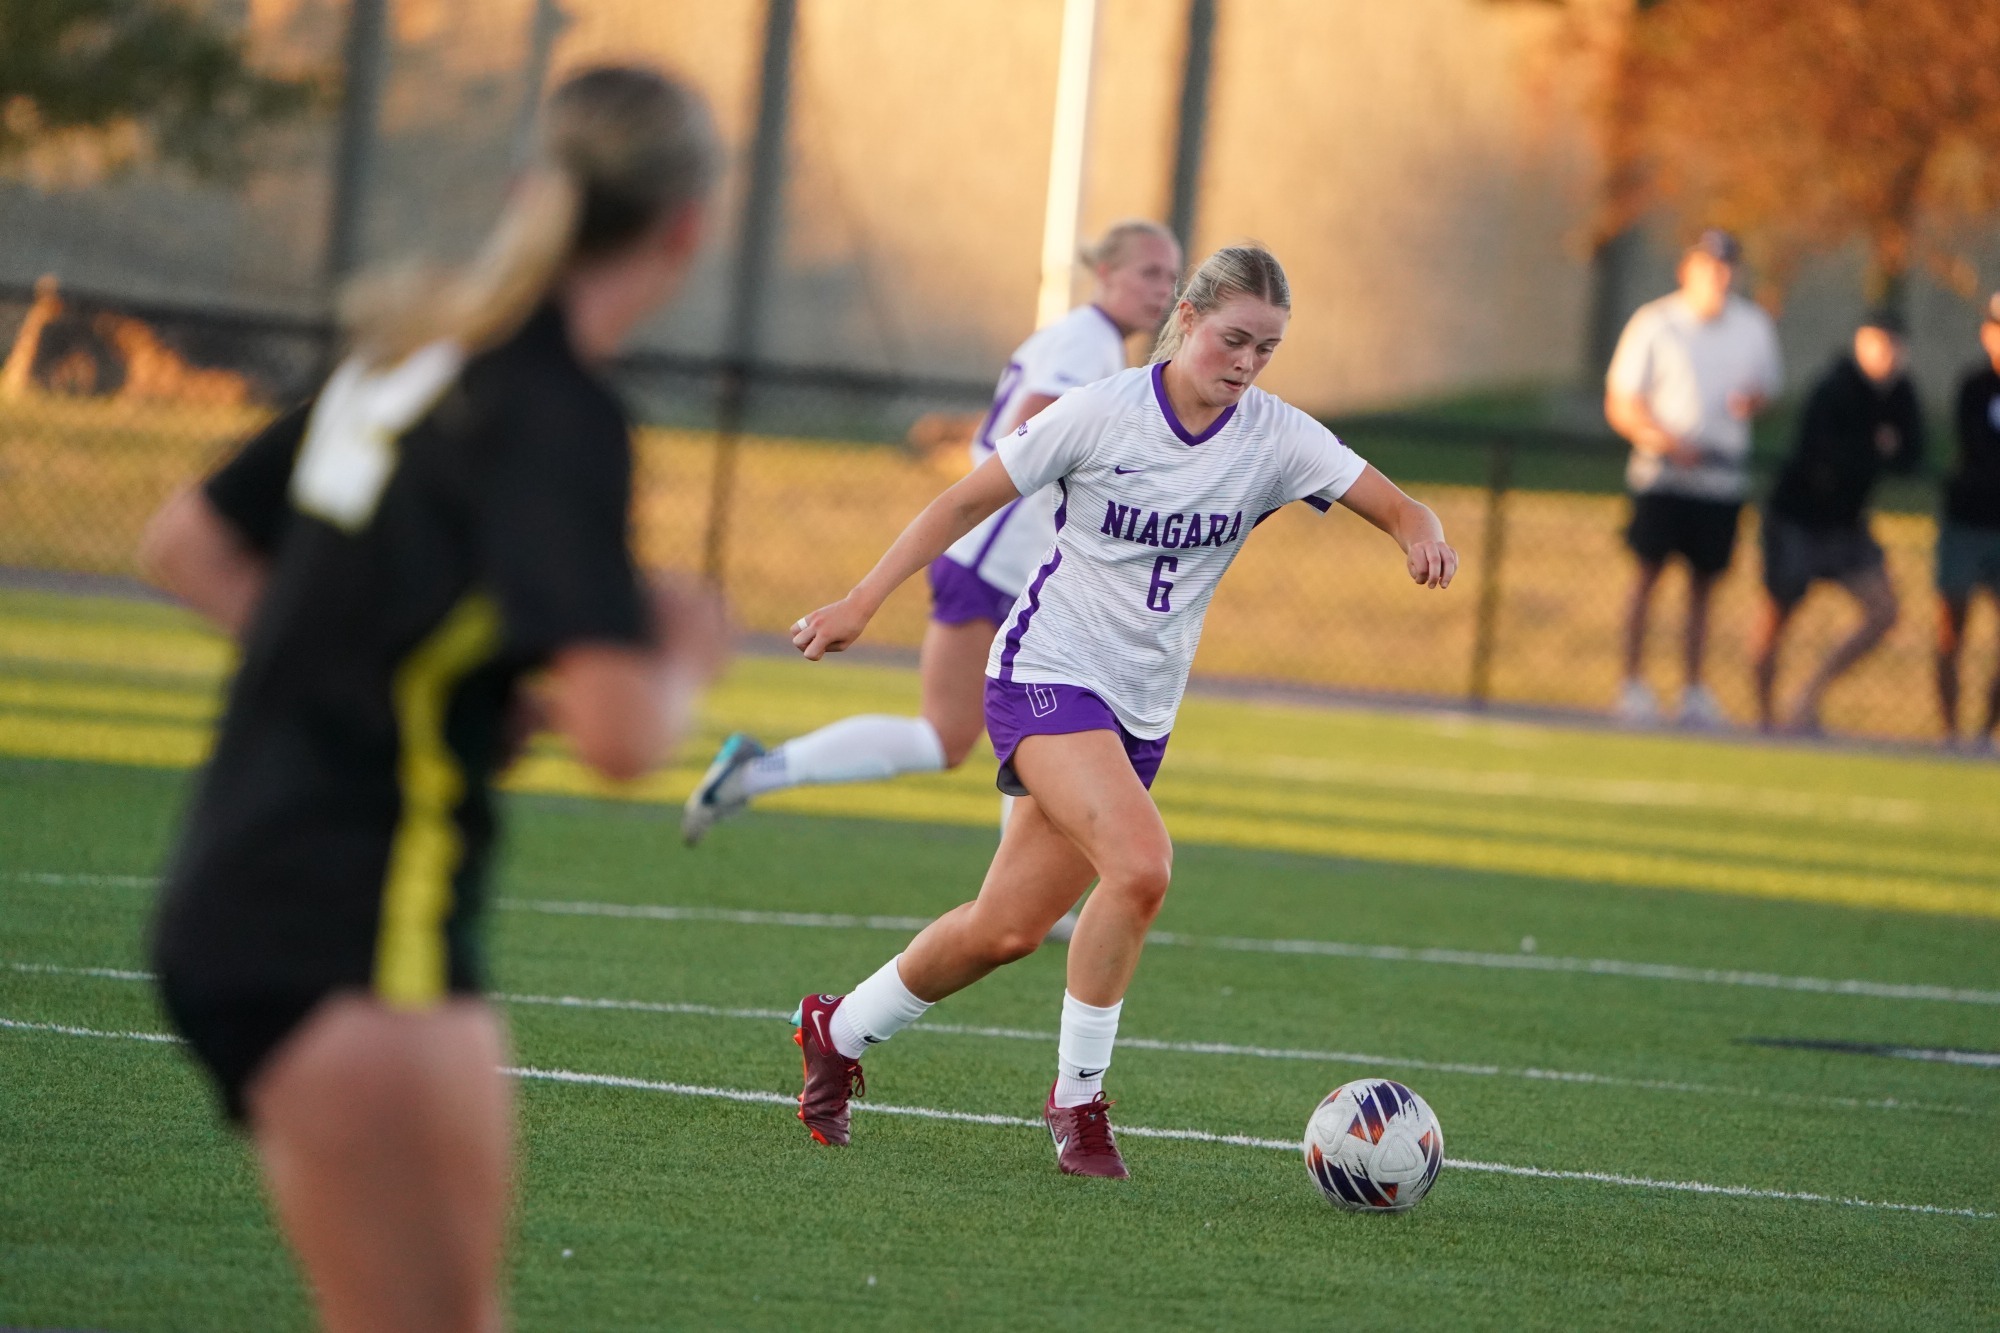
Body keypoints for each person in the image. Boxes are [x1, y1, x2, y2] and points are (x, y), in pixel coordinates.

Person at [134, 66, 725, 1333]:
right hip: (353, 921)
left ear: (535, 193)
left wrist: (394, 671)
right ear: (689, 225)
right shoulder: (553, 411)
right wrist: (683, 655)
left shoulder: (414, 359)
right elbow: (625, 732)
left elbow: (188, 543)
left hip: (253, 889)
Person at [781, 246, 1457, 1178]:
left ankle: (837, 1028)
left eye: (1266, 348)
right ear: (1185, 319)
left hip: (1139, 707)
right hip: (1044, 671)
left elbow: (1396, 502)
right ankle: (1079, 1102)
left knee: (1004, 928)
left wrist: (1421, 531)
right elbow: (963, 498)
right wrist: (861, 600)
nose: (1247, 363)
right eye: (1232, 339)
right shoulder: (1105, 411)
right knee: (1141, 867)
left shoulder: (1277, 437)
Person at [680, 221, 1183, 844]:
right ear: (1106, 273)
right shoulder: (1089, 342)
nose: (1162, 289)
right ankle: (754, 773)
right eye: (1149, 272)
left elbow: (1023, 429)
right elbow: (1028, 435)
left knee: (1039, 728)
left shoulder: (1085, 339)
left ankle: (1026, 898)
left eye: (1171, 275)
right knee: (948, 736)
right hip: (992, 564)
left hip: (1013, 565)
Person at [1605, 229, 1782, 728]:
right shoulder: (1656, 323)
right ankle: (1633, 684)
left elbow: (1766, 392)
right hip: (1662, 475)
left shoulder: (1752, 327)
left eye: (1727, 267)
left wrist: (1752, 403)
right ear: (1688, 271)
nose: (1719, 277)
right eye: (1709, 267)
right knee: (1647, 577)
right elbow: (1621, 403)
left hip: (1720, 478)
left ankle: (1693, 689)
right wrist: (1665, 441)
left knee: (1705, 585)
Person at [1751, 311, 1923, 733]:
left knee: (1883, 611)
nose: (1885, 355)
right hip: (1798, 518)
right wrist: (1876, 447)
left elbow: (1911, 454)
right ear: (1860, 343)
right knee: (1779, 612)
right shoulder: (1835, 387)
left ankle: (1807, 694)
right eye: (1877, 344)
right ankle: (1764, 717)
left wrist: (1879, 451)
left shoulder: (1900, 394)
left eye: (1893, 346)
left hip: (1846, 524)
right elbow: (1826, 456)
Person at [1936, 293, 2000, 749]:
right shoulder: (1974, 387)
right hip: (1968, 522)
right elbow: (1976, 453)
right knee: (1952, 628)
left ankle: (1985, 735)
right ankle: (1951, 734)